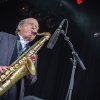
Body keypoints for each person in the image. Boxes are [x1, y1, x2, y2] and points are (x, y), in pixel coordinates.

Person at [0, 17, 39, 100]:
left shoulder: (33, 53)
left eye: (36, 26)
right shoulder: (2, 36)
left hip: (14, 95)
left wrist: (29, 69)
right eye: (31, 24)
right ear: (20, 27)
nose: (34, 27)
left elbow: (31, 81)